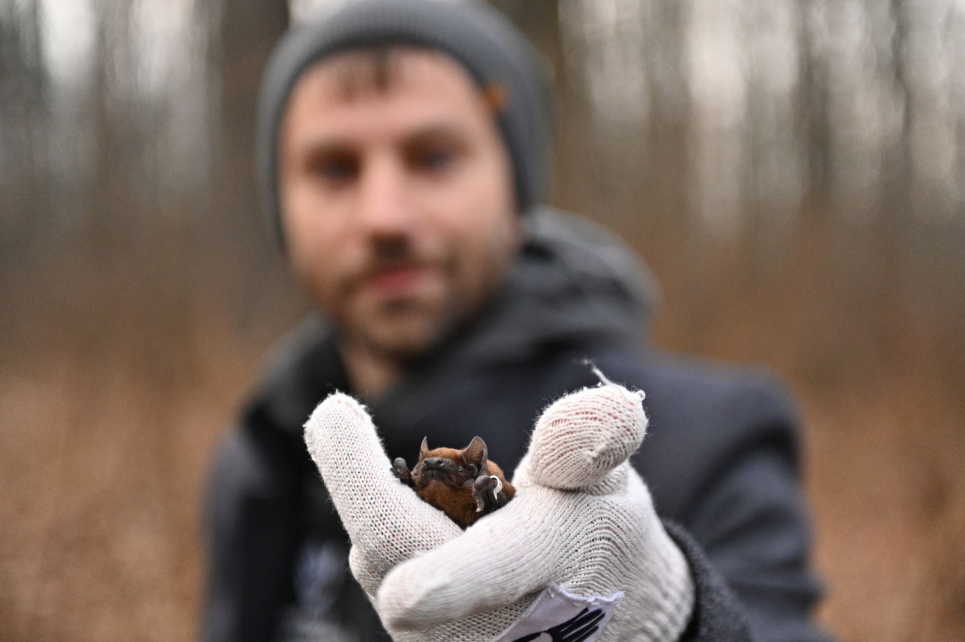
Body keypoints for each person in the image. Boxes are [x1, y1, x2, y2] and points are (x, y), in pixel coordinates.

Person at [203, 1, 829, 640]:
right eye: (335, 168)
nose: (383, 216)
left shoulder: (698, 438)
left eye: (434, 157)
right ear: (281, 209)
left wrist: (677, 620)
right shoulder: (261, 454)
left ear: (518, 196)